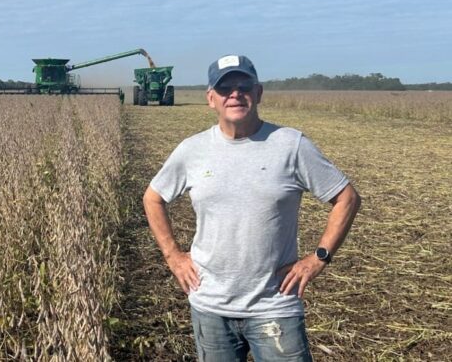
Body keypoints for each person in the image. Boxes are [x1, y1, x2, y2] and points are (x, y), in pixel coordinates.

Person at [143, 55, 361, 361]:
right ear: (211, 99)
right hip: (210, 307)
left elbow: (347, 198)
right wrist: (173, 256)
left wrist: (318, 258)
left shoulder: (290, 145)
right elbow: (153, 198)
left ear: (257, 93)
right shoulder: (192, 150)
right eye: (225, 88)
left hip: (275, 307)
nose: (235, 94)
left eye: (243, 85)